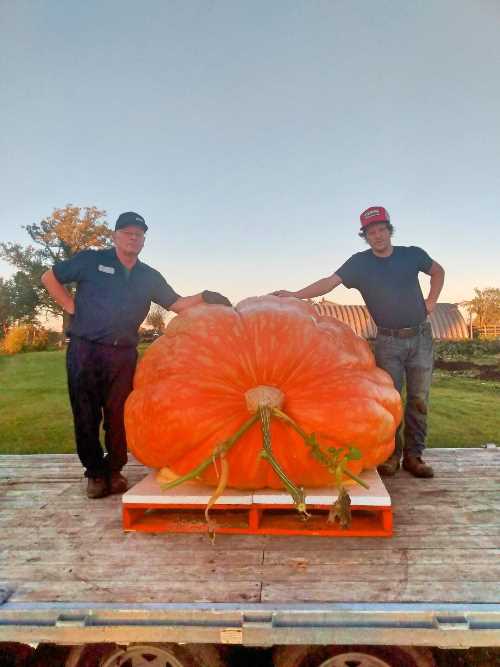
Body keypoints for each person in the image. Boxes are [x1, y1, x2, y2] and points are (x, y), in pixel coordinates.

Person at [41, 211, 231, 498]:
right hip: (85, 349)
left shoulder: (149, 276)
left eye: (138, 234)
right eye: (127, 232)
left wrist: (205, 296)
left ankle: (115, 470)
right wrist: (71, 306)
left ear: (143, 241)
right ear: (115, 236)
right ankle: (95, 474)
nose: (133, 237)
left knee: (120, 414)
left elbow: (177, 304)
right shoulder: (91, 260)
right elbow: (49, 277)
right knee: (85, 413)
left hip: (123, 354)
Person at [273, 206, 445, 478]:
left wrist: (432, 300)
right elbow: (329, 282)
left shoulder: (412, 254)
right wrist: (296, 295)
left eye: (381, 229)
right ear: (365, 236)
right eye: (371, 232)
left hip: (420, 338)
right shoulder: (359, 264)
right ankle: (391, 456)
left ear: (389, 230)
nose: (377, 236)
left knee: (418, 399)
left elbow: (438, 271)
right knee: (389, 400)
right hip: (388, 340)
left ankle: (415, 456)